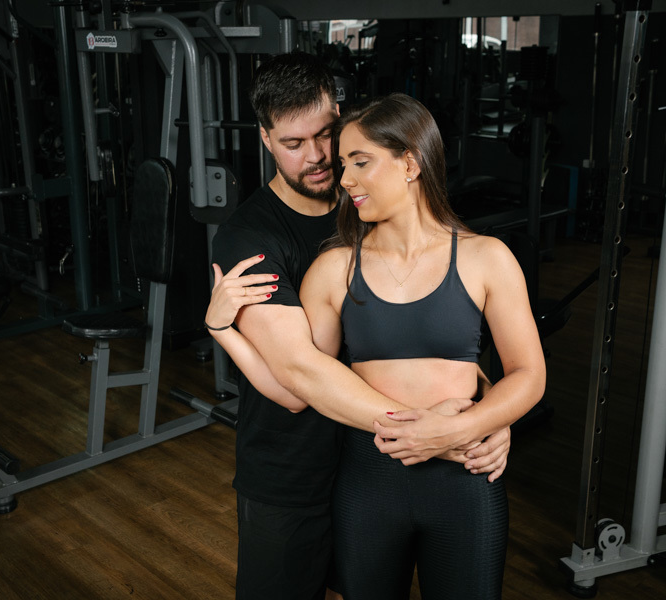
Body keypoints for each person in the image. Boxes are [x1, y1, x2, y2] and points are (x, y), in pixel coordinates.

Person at [209, 90, 546, 599]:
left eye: (358, 161)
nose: (343, 178)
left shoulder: (487, 258)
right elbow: (297, 385)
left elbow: (528, 374)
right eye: (344, 164)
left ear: (410, 163)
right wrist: (223, 331)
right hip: (369, 484)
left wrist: (472, 425)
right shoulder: (333, 269)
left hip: (464, 481)